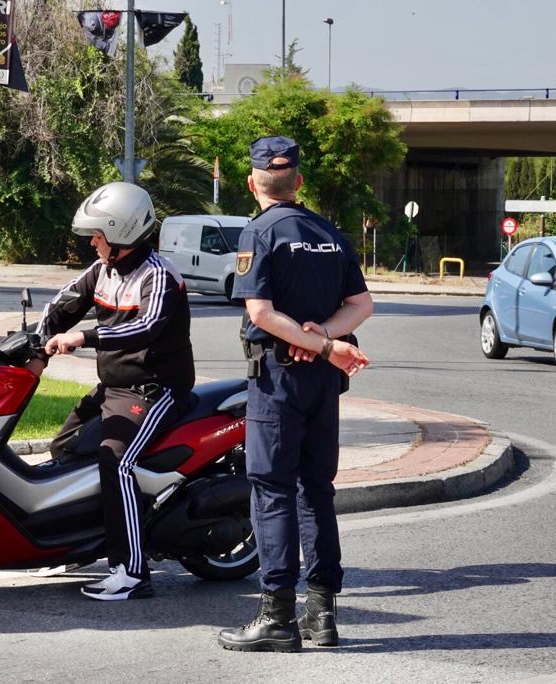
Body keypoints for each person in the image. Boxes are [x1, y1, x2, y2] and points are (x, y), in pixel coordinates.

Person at [217, 136, 373, 652]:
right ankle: (323, 616)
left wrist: (320, 344)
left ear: (252, 182)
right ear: (299, 181)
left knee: (272, 491)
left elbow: (259, 313)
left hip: (278, 382)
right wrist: (326, 340)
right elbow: (362, 304)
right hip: (322, 385)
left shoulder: (258, 232)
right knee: (317, 490)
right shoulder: (328, 231)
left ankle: (277, 618)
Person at [28, 181, 195, 600]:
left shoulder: (159, 276)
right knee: (65, 447)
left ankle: (132, 572)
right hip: (114, 387)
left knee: (115, 462)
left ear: (121, 233)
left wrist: (83, 338)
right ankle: (86, 544)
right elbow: (63, 304)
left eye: (98, 235)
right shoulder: (103, 270)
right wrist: (35, 343)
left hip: (155, 390)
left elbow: (146, 327)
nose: (93, 243)